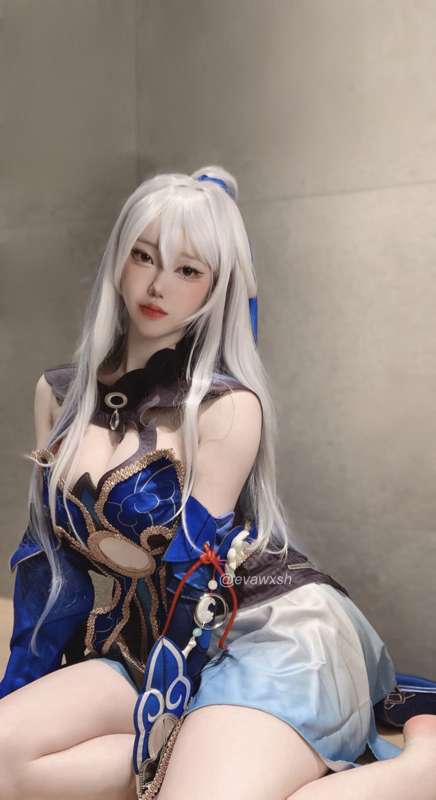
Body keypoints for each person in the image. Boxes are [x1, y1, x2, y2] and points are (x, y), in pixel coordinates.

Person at [0, 166, 435, 800]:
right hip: (148, 638)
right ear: (117, 259)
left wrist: (162, 726)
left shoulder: (226, 407)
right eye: (144, 256)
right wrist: (22, 686)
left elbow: (194, 575)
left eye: (188, 270)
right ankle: (215, 753)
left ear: (214, 287)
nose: (157, 285)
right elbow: (47, 564)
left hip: (265, 631)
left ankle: (421, 766)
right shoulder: (59, 394)